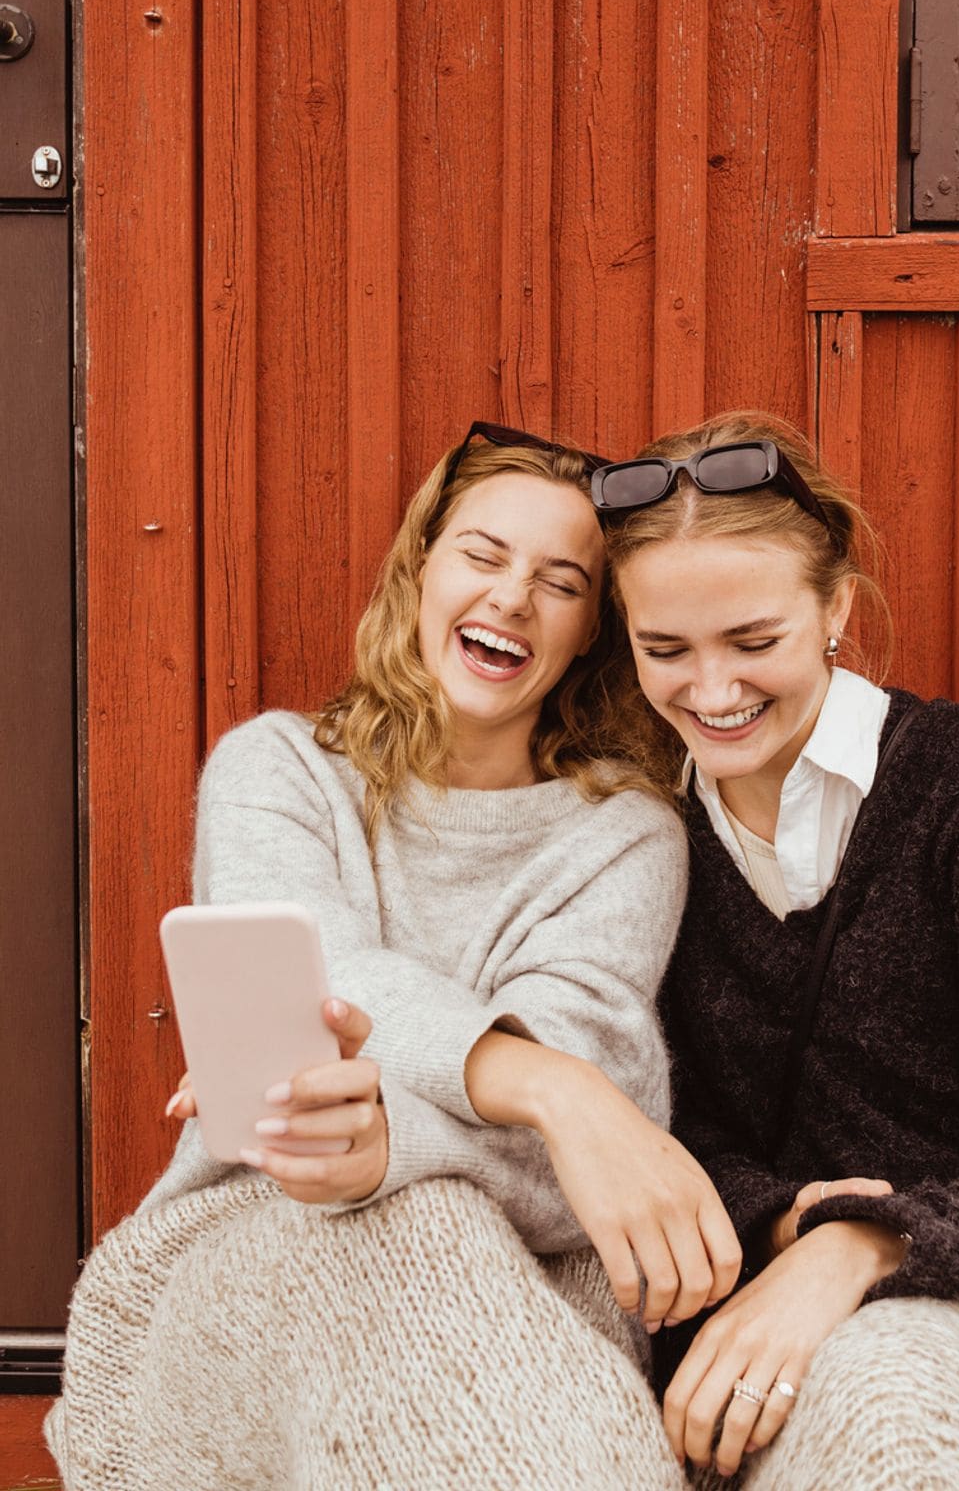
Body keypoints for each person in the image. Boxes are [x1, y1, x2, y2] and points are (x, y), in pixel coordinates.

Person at [48, 421, 737, 1491]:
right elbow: (326, 974)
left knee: (426, 1215)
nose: (513, 597)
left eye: (560, 583)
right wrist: (553, 1089)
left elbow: (580, 1180)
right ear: (420, 571)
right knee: (414, 1224)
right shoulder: (279, 772)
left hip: (536, 1287)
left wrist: (393, 1148)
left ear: (590, 633)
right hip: (258, 1233)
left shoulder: (625, 835)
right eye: (483, 555)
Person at [593, 409, 959, 1489]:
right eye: (665, 651)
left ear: (837, 610)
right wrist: (787, 1226)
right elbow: (669, 1131)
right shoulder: (636, 833)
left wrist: (864, 1243)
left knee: (889, 1395)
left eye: (753, 643)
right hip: (752, 1338)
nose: (711, 692)